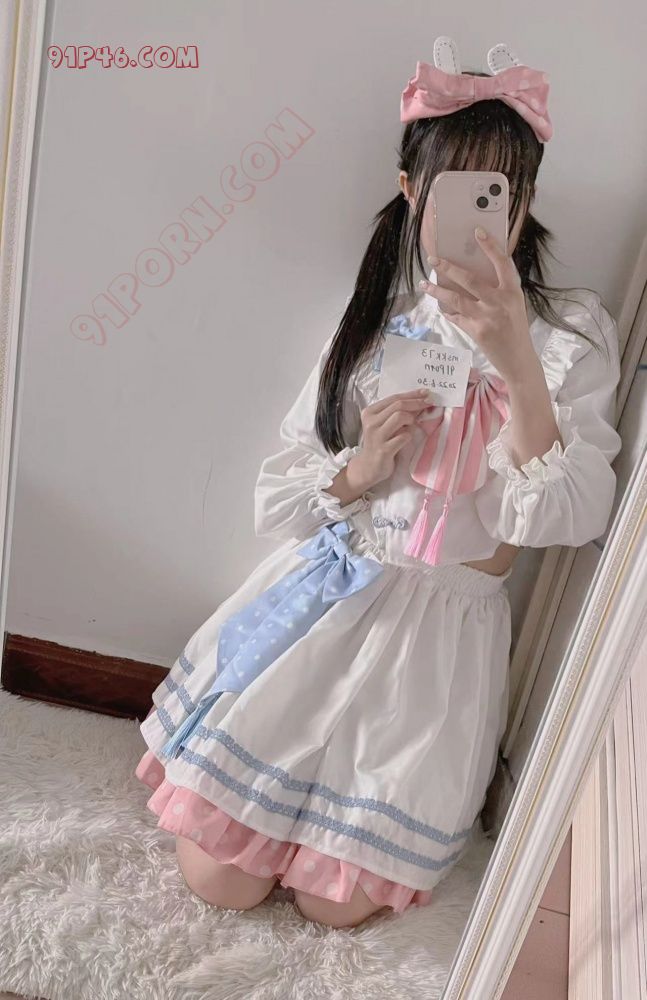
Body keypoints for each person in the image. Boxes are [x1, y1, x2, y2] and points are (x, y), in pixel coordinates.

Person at [134, 37, 622, 929]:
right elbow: (280, 495)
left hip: (440, 645)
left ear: (525, 202)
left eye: (499, 192)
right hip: (329, 602)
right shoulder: (377, 324)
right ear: (410, 191)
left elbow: (573, 514)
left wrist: (515, 356)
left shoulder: (570, 337)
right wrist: (359, 469)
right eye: (453, 190)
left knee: (335, 906)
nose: (480, 215)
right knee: (221, 880)